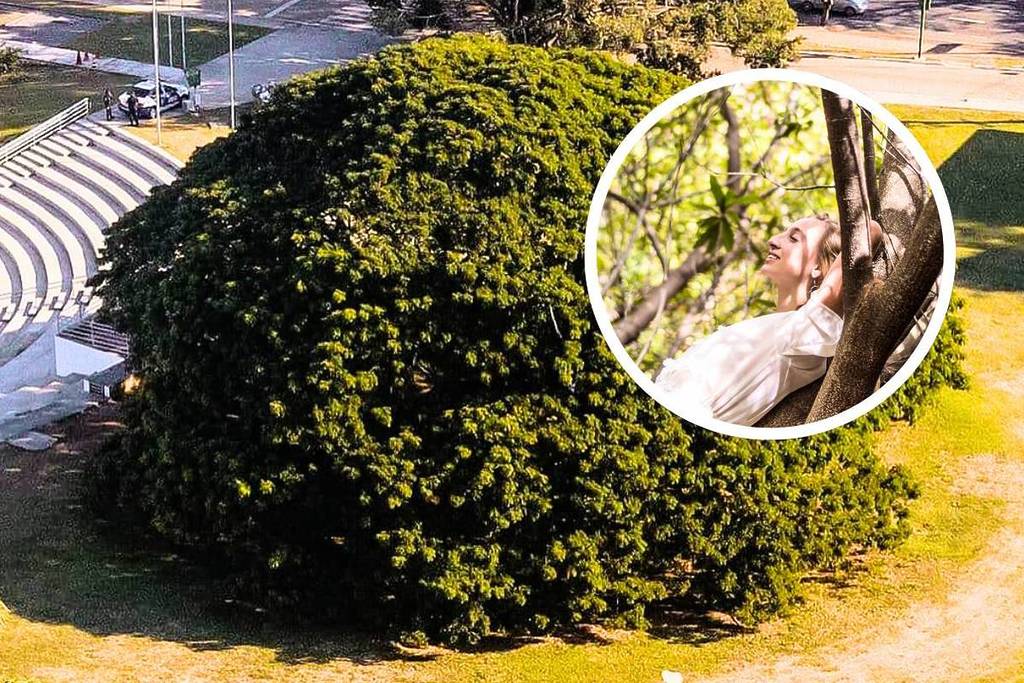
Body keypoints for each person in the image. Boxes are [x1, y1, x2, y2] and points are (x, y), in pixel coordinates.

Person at [654, 213, 883, 427]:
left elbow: (869, 230)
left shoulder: (801, 333)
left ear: (817, 268)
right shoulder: (775, 327)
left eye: (794, 238)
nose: (772, 240)